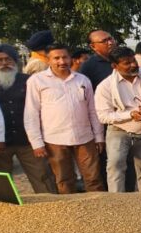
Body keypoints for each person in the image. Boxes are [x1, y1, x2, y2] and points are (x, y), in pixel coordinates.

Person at [24, 44, 105, 193]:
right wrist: (36, 143)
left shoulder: (82, 80)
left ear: (70, 58)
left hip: (85, 137)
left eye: (65, 57)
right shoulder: (37, 81)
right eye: (56, 58)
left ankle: (97, 206)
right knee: (64, 180)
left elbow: (93, 110)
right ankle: (69, 207)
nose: (62, 61)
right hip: (55, 139)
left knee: (93, 178)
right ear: (48, 60)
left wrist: (99, 136)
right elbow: (31, 113)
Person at [94, 47, 141, 192]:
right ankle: (118, 203)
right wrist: (130, 115)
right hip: (119, 131)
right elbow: (103, 116)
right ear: (114, 66)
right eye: (127, 63)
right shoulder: (105, 86)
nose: (133, 65)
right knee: (115, 167)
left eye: (133, 60)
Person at [0, 44, 55, 192]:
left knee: (42, 177)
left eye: (8, 59)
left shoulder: (29, 81)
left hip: (28, 141)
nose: (4, 63)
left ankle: (51, 203)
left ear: (15, 61)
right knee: (1, 181)